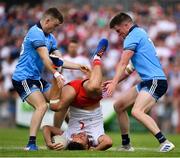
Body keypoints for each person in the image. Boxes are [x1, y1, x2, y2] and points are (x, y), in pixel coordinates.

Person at [12, 8, 88, 151]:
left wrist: (79, 66)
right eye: (55, 25)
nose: (55, 29)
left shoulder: (50, 38)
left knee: (61, 102)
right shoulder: (35, 33)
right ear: (47, 21)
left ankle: (64, 133)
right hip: (23, 78)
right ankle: (31, 144)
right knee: (42, 106)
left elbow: (58, 60)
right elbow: (45, 58)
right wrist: (56, 74)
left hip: (36, 78)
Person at [105, 12, 175, 152]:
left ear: (126, 25)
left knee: (137, 111)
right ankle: (126, 145)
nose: (119, 34)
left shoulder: (132, 36)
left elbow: (123, 63)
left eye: (119, 31)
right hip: (148, 81)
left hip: (155, 81)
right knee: (119, 106)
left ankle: (165, 142)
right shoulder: (140, 33)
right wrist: (114, 81)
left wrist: (114, 84)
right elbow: (130, 69)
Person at [44, 39, 112, 150]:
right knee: (94, 87)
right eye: (81, 138)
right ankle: (97, 58)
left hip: (72, 93)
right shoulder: (95, 138)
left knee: (54, 107)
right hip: (90, 98)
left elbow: (46, 129)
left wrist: (49, 143)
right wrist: (95, 150)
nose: (79, 135)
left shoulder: (68, 137)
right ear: (87, 145)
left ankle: (57, 69)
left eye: (76, 136)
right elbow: (108, 142)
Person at [54, 39, 91, 127]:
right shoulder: (64, 59)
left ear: (78, 48)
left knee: (73, 112)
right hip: (65, 88)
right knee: (62, 109)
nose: (73, 48)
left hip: (79, 89)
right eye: (71, 47)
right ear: (68, 48)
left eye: (74, 47)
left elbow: (90, 74)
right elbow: (58, 73)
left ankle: (75, 128)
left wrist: (83, 78)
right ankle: (57, 129)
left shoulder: (83, 60)